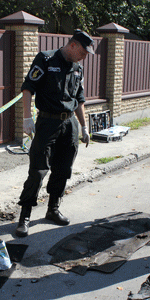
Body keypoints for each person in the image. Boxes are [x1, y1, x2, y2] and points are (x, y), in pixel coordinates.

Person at [15, 30, 93, 237]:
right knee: (38, 170)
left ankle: (53, 209)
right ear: (74, 45)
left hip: (69, 124)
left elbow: (79, 99)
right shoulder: (46, 59)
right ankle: (25, 215)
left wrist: (84, 127)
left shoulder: (78, 68)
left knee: (63, 169)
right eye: (84, 52)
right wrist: (26, 118)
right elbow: (28, 88)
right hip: (47, 122)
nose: (84, 57)